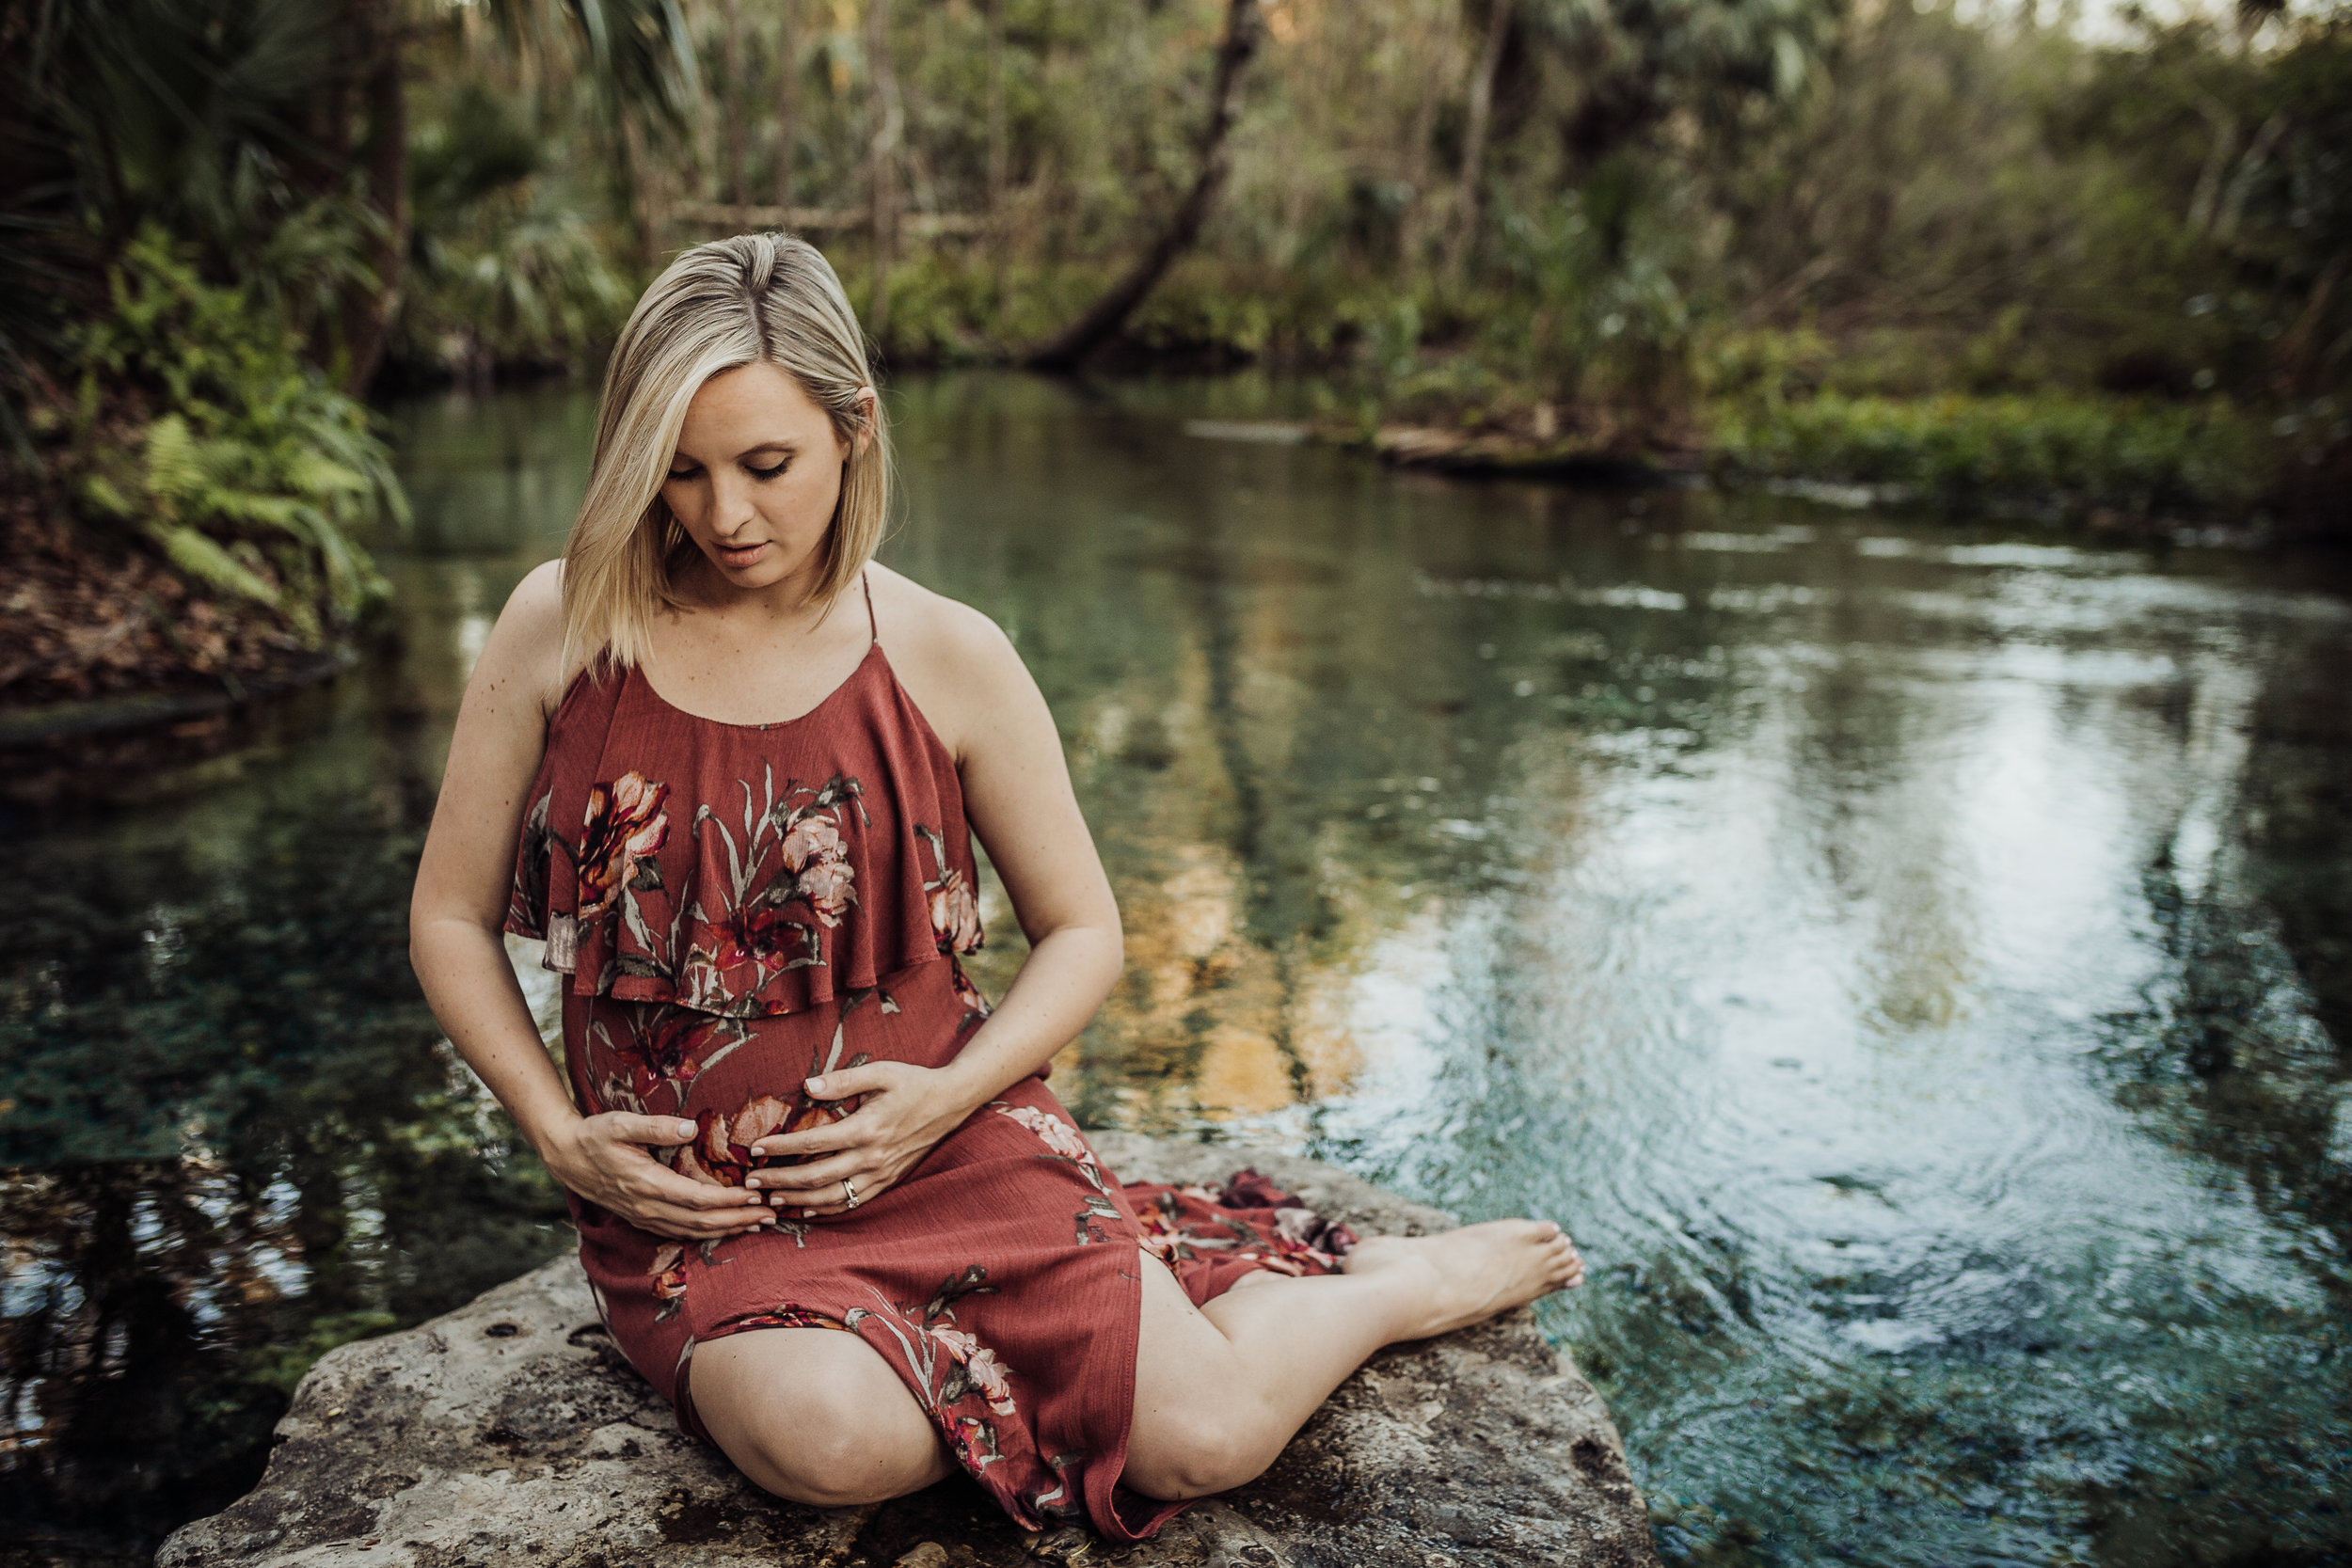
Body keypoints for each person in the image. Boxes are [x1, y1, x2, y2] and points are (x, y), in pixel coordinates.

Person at [407, 231, 1584, 1541]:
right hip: (702, 1208)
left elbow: (1085, 932)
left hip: (951, 1141)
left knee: (1207, 1442)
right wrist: (559, 1135)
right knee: (829, 1443)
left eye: (766, 465)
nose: (723, 515)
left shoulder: (946, 654)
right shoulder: (563, 625)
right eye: (679, 472)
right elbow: (448, 920)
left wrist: (943, 1104)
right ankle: (1048, 1328)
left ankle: (1384, 1287)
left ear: (854, 429)